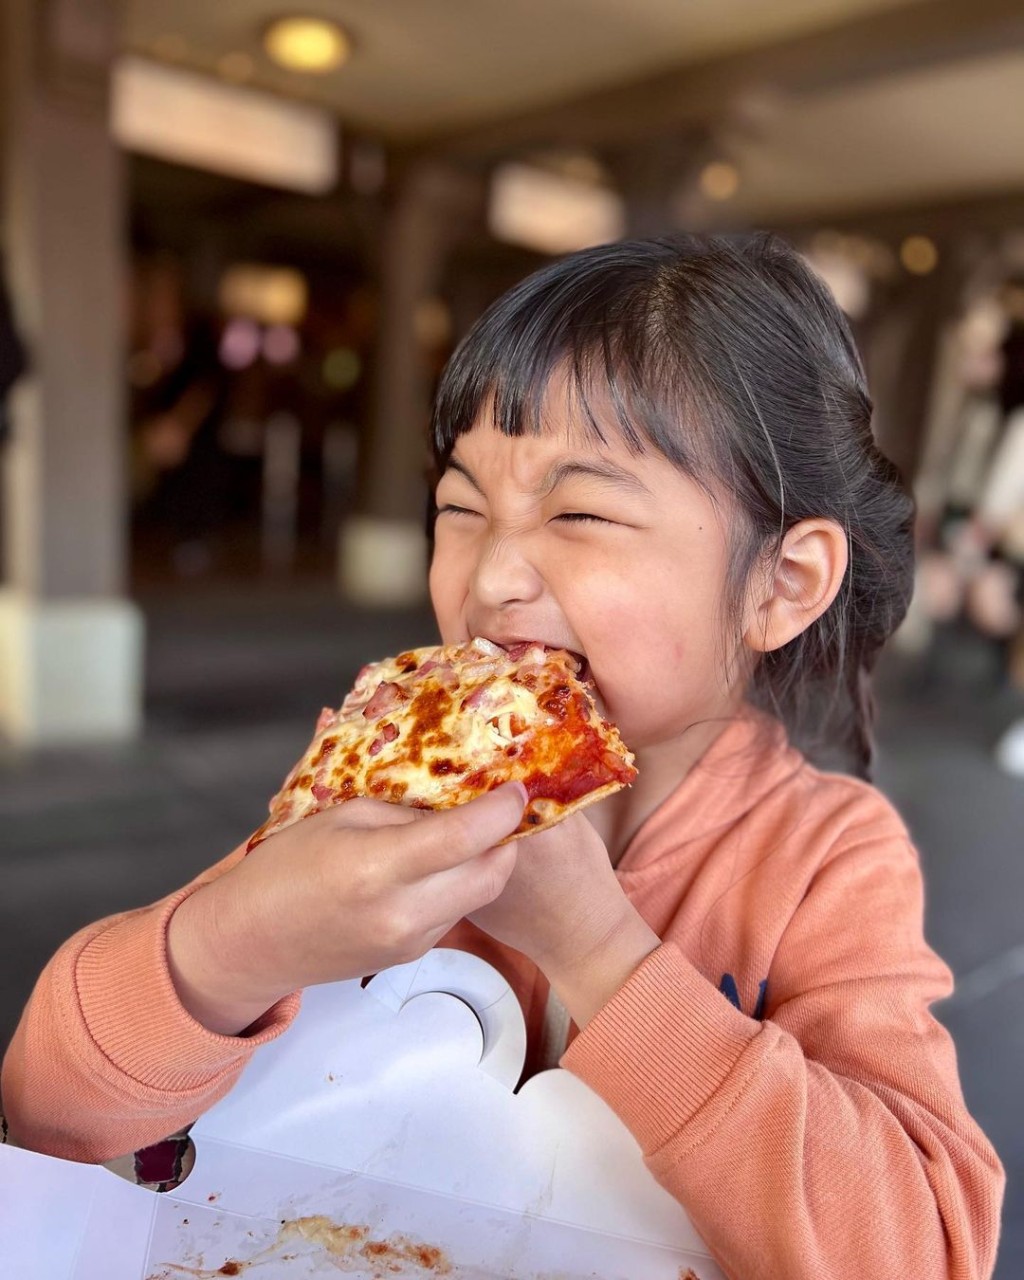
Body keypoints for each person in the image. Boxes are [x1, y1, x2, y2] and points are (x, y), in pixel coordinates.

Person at [1, 236, 1004, 1279]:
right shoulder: (389, 782)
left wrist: (597, 947)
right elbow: (53, 1111)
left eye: (579, 510)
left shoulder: (823, 856)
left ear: (781, 585)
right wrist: (237, 939)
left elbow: (925, 1249)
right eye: (459, 507)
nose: (493, 576)